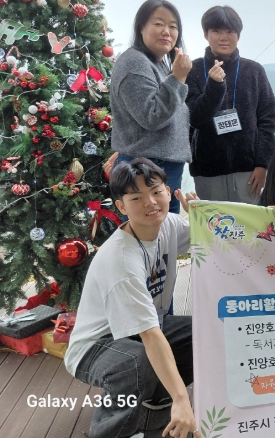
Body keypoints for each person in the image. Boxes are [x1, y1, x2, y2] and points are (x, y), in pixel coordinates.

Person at [65, 158, 200, 438]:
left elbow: (211, 238)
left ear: (168, 192)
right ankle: (110, 432)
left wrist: (262, 219)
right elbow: (150, 335)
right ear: (122, 207)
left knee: (202, 331)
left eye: (156, 191)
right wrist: (182, 399)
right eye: (137, 197)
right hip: (96, 345)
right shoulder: (122, 261)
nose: (150, 202)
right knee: (135, 362)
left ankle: (158, 393)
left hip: (140, 328)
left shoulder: (170, 225)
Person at [185, 6, 275, 205]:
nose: (223, 37)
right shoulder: (192, 70)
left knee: (251, 224)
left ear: (238, 36)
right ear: (205, 34)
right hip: (207, 171)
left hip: (249, 172)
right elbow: (194, 118)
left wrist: (263, 164)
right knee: (212, 224)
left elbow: (267, 119)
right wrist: (213, 87)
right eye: (216, 31)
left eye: (230, 31)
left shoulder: (254, 71)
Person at [111, 0, 192, 214]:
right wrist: (178, 77)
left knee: (166, 231)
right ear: (141, 27)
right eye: (158, 24)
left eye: (173, 26)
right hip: (146, 168)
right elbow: (152, 116)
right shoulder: (135, 62)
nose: (167, 31)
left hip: (160, 166)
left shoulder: (157, 63)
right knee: (148, 230)